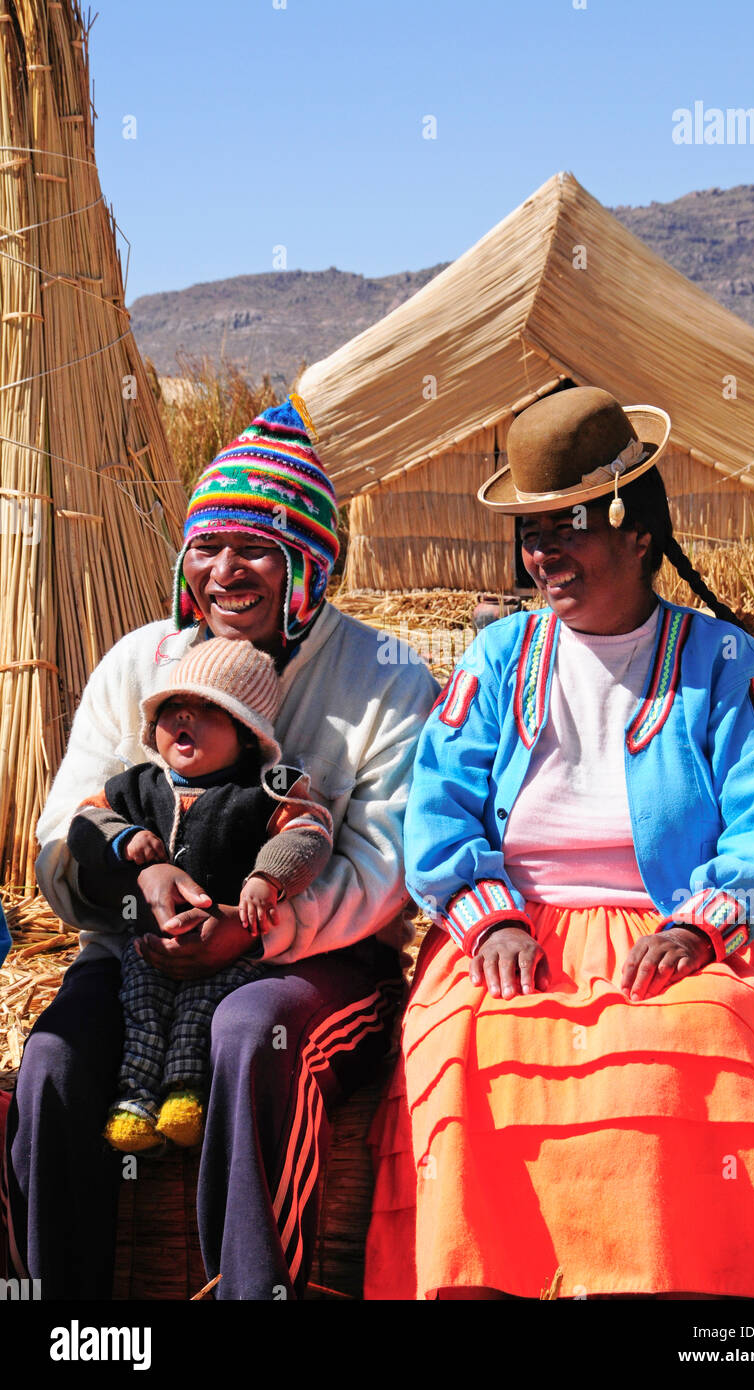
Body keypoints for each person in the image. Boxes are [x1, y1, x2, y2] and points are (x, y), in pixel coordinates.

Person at [365, 385, 754, 1301]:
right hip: (511, 929)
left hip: (678, 925)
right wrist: (488, 923)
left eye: (569, 526)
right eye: (531, 531)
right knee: (464, 1048)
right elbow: (437, 813)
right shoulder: (496, 659)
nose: (543, 553)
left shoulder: (720, 663)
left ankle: (696, 1305)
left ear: (637, 534)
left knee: (694, 1039)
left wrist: (697, 930)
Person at [4, 396, 438, 1300]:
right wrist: (140, 895)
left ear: (308, 564)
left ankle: (252, 1292)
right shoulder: (141, 661)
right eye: (206, 547)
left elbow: (385, 864)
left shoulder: (381, 679)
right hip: (137, 952)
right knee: (49, 1066)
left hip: (316, 958)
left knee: (253, 1029)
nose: (225, 571)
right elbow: (65, 829)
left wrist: (258, 932)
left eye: (256, 549)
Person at [66, 638, 333, 1152]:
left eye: (211, 710)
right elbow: (85, 824)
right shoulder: (134, 788)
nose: (186, 716)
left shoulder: (265, 790)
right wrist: (123, 842)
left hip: (227, 952)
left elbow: (310, 833)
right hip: (147, 949)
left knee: (198, 1016)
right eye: (173, 709)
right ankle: (135, 1102)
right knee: (141, 1014)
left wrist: (267, 878)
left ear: (247, 733)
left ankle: (184, 1097)